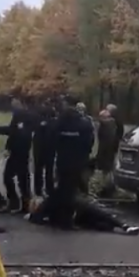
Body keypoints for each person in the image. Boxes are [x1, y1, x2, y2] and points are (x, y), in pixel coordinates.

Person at [28, 163, 139, 235]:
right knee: (101, 222)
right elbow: (36, 217)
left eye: (35, 202)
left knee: (99, 214)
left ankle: (124, 226)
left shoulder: (49, 202)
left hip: (79, 208)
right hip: (79, 215)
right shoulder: (47, 207)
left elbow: (36, 217)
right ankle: (120, 225)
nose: (36, 203)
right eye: (35, 204)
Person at [51, 96, 93, 229]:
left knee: (61, 188)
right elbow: (88, 143)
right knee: (71, 191)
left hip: (62, 160)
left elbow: (53, 138)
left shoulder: (60, 121)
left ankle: (56, 216)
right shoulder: (84, 123)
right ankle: (67, 220)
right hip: (76, 161)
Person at [0, 99, 35, 214]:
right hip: (20, 151)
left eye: (15, 104)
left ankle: (16, 203)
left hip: (19, 152)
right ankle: (23, 203)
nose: (13, 107)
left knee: (11, 177)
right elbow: (14, 131)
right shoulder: (21, 116)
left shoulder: (24, 117)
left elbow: (15, 132)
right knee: (21, 178)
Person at [33, 102, 57, 199]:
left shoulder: (38, 120)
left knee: (38, 169)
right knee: (49, 170)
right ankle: (49, 189)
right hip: (50, 148)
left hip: (39, 147)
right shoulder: (54, 123)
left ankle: (38, 189)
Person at [95, 109, 119, 198]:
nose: (99, 119)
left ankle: (107, 188)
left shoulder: (106, 127)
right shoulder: (112, 125)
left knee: (106, 171)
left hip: (106, 151)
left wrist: (100, 154)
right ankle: (109, 187)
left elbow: (104, 142)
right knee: (108, 170)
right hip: (110, 151)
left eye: (100, 117)